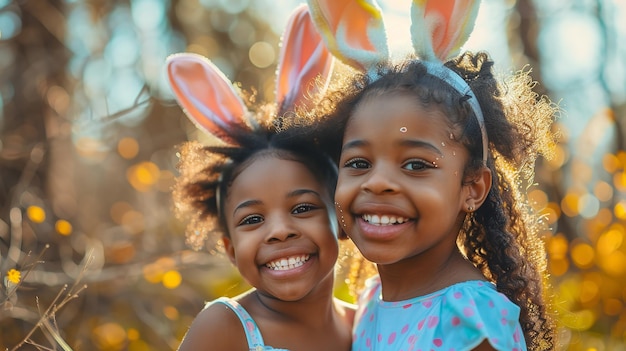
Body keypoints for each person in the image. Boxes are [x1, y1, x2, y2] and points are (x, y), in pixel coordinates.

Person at [298, 0, 559, 350]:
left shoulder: (469, 319)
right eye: (359, 163)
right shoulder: (371, 301)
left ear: (472, 188)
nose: (377, 182)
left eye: (416, 165)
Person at [166, 5, 354, 351]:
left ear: (341, 219)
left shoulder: (369, 325)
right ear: (230, 249)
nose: (280, 230)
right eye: (252, 219)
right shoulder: (225, 328)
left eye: (302, 208)